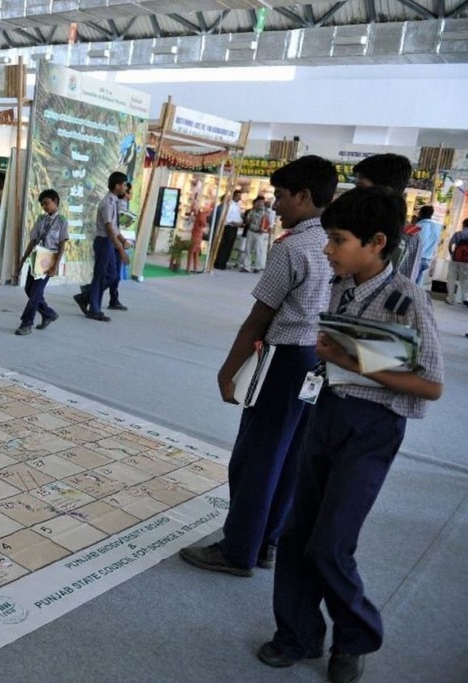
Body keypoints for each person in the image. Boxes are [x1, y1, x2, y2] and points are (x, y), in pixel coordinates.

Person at [258, 186, 443, 683]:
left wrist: (350, 359)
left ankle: (356, 636)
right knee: (297, 533)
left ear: (376, 241)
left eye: (337, 240)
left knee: (331, 543)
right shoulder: (340, 286)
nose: (327, 249)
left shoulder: (409, 300)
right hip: (325, 413)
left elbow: (431, 385)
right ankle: (295, 634)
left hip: (372, 429)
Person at [179, 155, 337, 577]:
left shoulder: (292, 248)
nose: (275, 204)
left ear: (304, 196)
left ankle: (238, 549)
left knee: (256, 456)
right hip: (317, 361)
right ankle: (266, 541)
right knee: (290, 455)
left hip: (284, 360)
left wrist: (229, 368)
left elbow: (259, 317)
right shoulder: (336, 244)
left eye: (281, 196)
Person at [352, 153, 420, 281]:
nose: (355, 194)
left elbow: (405, 281)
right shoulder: (348, 222)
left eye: (360, 187)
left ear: (385, 191)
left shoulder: (408, 236)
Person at [73, 173, 130, 322]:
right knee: (100, 276)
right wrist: (121, 249)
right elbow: (109, 228)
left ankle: (85, 297)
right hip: (104, 241)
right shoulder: (107, 203)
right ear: (117, 186)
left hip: (110, 242)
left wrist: (122, 240)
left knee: (113, 276)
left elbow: (116, 228)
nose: (125, 187)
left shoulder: (114, 202)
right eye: (124, 184)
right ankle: (94, 309)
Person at [14, 189, 69, 336]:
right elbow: (33, 240)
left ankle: (27, 323)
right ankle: (48, 313)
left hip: (49, 260)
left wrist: (55, 266)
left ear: (55, 201)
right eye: (42, 204)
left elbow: (62, 245)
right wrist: (22, 260)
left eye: (47, 203)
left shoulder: (62, 221)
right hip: (36, 258)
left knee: (36, 292)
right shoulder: (40, 219)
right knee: (29, 290)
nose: (44, 207)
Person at [414, 205, 443, 288]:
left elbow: (421, 243)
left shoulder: (420, 226)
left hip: (417, 258)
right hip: (427, 258)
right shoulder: (437, 227)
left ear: (420, 213)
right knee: (418, 283)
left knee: (411, 282)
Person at [240, 196, 270, 273]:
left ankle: (258, 267)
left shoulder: (265, 212)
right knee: (248, 249)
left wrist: (264, 228)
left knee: (258, 250)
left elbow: (268, 222)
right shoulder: (252, 211)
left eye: (261, 203)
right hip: (251, 231)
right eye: (258, 202)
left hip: (259, 233)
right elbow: (247, 220)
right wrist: (247, 219)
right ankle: (247, 267)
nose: (259, 204)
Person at [446, 217, 468, 305]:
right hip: (466, 261)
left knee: (451, 278)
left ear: (464, 225)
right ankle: (465, 298)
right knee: (465, 279)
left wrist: (452, 254)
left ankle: (450, 298)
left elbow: (450, 244)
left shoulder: (458, 234)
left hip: (455, 259)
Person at [188, 204, 209, 274]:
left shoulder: (200, 216)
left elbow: (203, 222)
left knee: (195, 252)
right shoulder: (201, 216)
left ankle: (194, 269)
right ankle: (191, 268)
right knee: (193, 251)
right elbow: (203, 222)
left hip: (198, 235)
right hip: (197, 236)